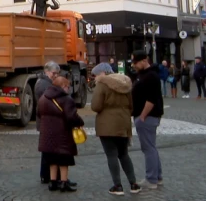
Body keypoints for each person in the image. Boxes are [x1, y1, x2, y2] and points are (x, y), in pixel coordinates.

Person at [90, 63, 141, 196]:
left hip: (107, 124)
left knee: (111, 154)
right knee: (124, 154)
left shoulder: (102, 85)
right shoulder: (126, 83)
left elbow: (95, 106)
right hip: (123, 123)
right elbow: (131, 106)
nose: (95, 78)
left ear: (102, 73)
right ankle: (134, 183)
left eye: (96, 75)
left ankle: (117, 186)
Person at [38, 76, 84, 193]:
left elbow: (38, 114)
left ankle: (53, 182)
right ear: (63, 86)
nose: (68, 89)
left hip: (47, 135)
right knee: (64, 159)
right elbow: (72, 116)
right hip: (62, 134)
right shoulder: (66, 99)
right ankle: (63, 182)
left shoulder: (43, 98)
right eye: (68, 86)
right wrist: (80, 122)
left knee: (52, 159)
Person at [131, 50, 164, 190]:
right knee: (151, 147)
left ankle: (151, 179)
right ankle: (157, 176)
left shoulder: (150, 76)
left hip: (147, 116)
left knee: (148, 148)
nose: (134, 65)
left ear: (144, 60)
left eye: (136, 62)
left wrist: (142, 117)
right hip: (145, 116)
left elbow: (151, 100)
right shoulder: (143, 75)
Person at [35, 61, 61, 184]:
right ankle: (46, 175)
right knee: (48, 150)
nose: (55, 75)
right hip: (47, 122)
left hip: (46, 121)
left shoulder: (46, 82)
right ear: (47, 71)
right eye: (54, 73)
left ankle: (48, 175)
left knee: (48, 149)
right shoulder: (43, 85)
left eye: (57, 73)